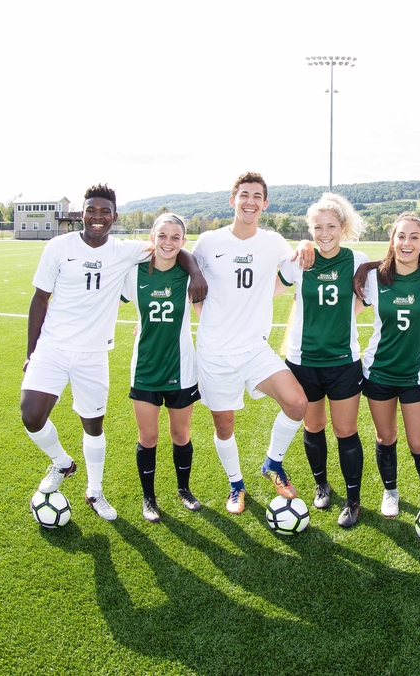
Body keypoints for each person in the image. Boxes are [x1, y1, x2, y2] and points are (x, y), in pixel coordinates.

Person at [21, 184, 206, 521]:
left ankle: (95, 491)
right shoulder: (58, 247)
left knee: (93, 424)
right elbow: (39, 299)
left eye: (105, 211)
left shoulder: (124, 251)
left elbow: (172, 248)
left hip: (93, 354)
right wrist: (31, 352)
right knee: (31, 416)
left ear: (114, 217)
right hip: (53, 347)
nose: (97, 217)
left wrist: (193, 269)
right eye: (92, 210)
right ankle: (63, 463)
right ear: (82, 212)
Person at [191, 172, 312, 514]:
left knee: (297, 403)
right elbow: (190, 279)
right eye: (244, 195)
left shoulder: (272, 242)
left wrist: (304, 244)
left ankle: (272, 463)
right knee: (224, 425)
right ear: (233, 200)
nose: (250, 202)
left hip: (255, 348)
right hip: (215, 352)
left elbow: (292, 268)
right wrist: (211, 320)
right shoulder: (209, 242)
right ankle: (236, 485)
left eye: (257, 196)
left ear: (265, 203)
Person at [275, 193, 369, 528]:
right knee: (313, 426)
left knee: (346, 430)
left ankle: (354, 499)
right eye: (317, 227)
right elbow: (268, 290)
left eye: (331, 226)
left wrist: (346, 319)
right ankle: (321, 484)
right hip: (303, 360)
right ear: (310, 229)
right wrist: (300, 243)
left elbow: (365, 298)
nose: (324, 233)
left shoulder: (356, 259)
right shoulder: (300, 258)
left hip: (343, 360)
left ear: (343, 227)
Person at [360, 213, 420, 518]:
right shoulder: (372, 277)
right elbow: (348, 309)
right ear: (392, 240)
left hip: (416, 373)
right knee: (386, 438)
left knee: (418, 441)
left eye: (414, 237)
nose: (407, 243)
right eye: (401, 236)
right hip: (379, 370)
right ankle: (390, 491)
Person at [121, 213, 202, 523]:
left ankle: (183, 489)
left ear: (183, 242)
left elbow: (205, 314)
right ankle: (149, 497)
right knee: (149, 438)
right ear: (152, 237)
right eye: (163, 236)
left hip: (181, 368)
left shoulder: (188, 275)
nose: (168, 242)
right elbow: (110, 304)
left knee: (181, 435)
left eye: (175, 237)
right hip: (145, 368)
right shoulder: (135, 273)